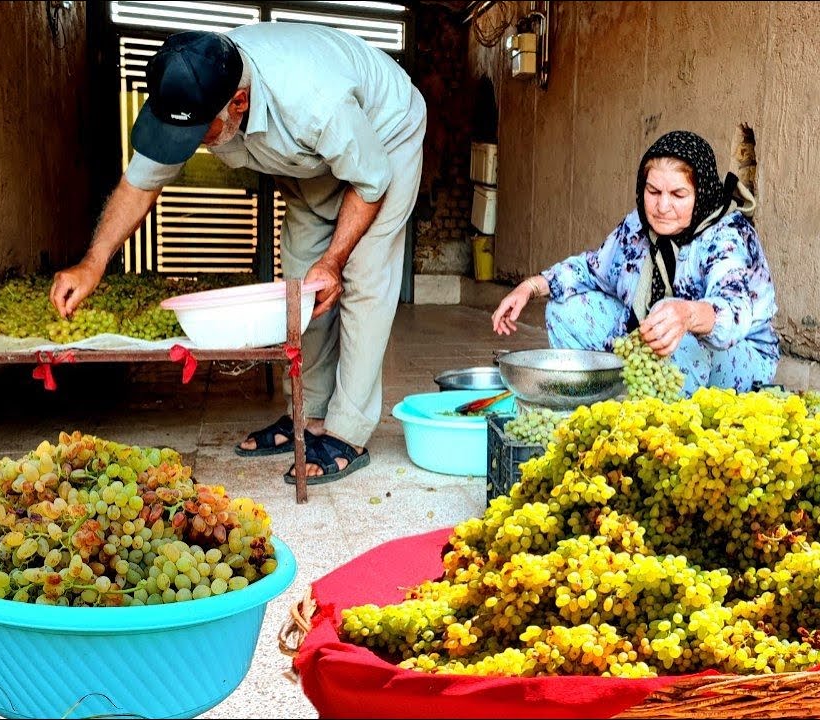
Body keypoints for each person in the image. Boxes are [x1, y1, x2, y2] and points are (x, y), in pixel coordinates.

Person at [49, 24, 426, 484]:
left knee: (363, 276)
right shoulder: (189, 89)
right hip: (314, 160)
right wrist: (93, 263)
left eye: (197, 134)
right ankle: (308, 417)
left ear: (239, 103)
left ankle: (348, 432)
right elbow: (139, 183)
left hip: (384, 137)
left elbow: (370, 182)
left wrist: (335, 260)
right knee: (302, 289)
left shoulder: (314, 100)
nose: (187, 145)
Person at [491, 130, 778, 395]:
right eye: (653, 192)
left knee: (672, 328)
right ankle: (596, 401)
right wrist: (529, 288)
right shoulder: (638, 225)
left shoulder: (727, 235)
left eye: (678, 195)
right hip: (658, 343)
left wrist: (686, 315)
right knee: (565, 308)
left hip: (736, 358)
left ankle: (669, 421)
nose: (662, 207)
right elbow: (592, 269)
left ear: (701, 193)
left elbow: (735, 311)